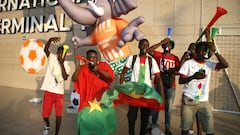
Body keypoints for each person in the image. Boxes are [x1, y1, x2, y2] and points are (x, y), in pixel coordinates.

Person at [178, 31, 229, 135]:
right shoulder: (188, 64)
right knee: (185, 129)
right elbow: (180, 80)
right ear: (196, 51)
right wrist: (193, 76)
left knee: (209, 130)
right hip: (189, 100)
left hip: (203, 101)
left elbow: (225, 65)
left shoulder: (208, 64)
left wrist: (215, 52)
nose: (204, 52)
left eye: (206, 51)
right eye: (202, 50)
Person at [120, 39, 165, 135]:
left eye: (147, 45)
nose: (145, 47)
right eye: (143, 45)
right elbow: (123, 73)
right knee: (132, 116)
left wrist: (162, 95)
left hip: (146, 93)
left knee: (145, 117)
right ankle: (131, 132)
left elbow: (158, 78)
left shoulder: (151, 60)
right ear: (139, 46)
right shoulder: (132, 58)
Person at [72, 49, 115, 135]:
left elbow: (110, 78)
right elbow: (74, 79)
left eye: (94, 57)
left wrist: (97, 69)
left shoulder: (103, 66)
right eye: (90, 58)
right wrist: (79, 66)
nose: (92, 59)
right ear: (87, 58)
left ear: (97, 58)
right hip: (86, 105)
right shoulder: (84, 69)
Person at [147, 38, 180, 135]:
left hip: (170, 85)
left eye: (169, 45)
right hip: (158, 84)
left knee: (168, 108)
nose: (167, 46)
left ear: (172, 47)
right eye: (166, 45)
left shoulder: (175, 58)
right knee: (156, 105)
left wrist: (172, 72)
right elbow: (149, 50)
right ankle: (154, 125)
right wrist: (161, 42)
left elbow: (179, 70)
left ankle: (167, 127)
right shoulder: (159, 55)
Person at [40, 37, 70, 135]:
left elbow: (65, 77)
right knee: (45, 115)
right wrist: (50, 40)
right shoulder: (52, 58)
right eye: (60, 53)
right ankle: (47, 125)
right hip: (49, 91)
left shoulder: (66, 64)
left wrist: (61, 64)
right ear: (57, 53)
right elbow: (45, 50)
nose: (61, 55)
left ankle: (56, 133)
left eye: (63, 53)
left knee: (58, 115)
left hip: (59, 93)